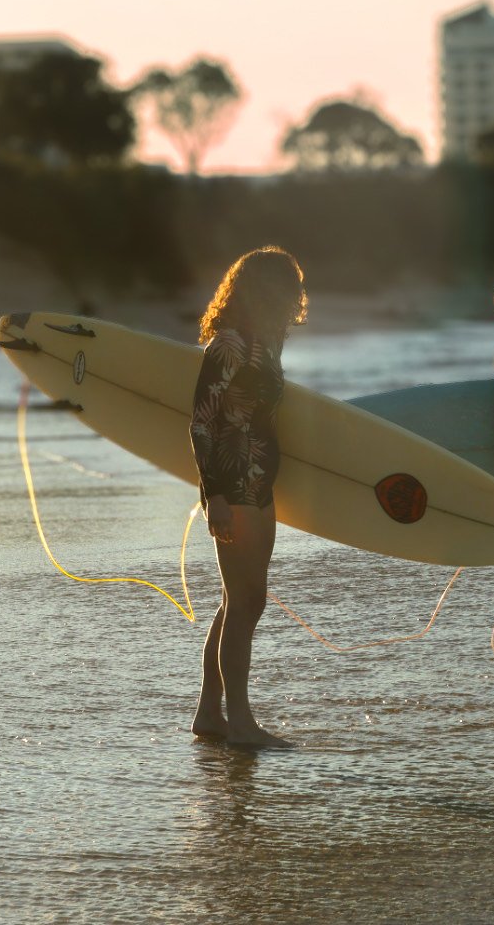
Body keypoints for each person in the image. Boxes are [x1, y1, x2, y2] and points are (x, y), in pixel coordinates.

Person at [189, 246, 308, 746]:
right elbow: (200, 423)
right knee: (246, 603)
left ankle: (209, 715)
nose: (296, 298)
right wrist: (212, 494)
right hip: (233, 483)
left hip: (260, 485)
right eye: (289, 288)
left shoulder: (266, 345)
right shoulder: (230, 345)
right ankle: (239, 721)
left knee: (238, 602)